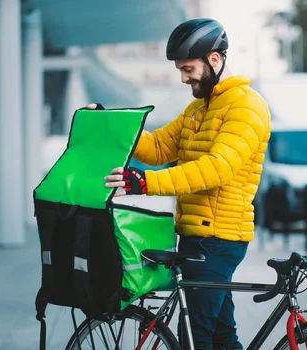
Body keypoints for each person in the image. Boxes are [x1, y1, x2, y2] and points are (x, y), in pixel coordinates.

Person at [89, 18, 271, 350]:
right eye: (180, 70)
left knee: (195, 338)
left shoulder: (247, 107)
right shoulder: (197, 109)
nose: (184, 77)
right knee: (220, 336)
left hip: (218, 240)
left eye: (188, 68)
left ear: (214, 60)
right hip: (194, 236)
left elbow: (216, 169)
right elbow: (158, 147)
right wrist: (107, 122)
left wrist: (144, 183)